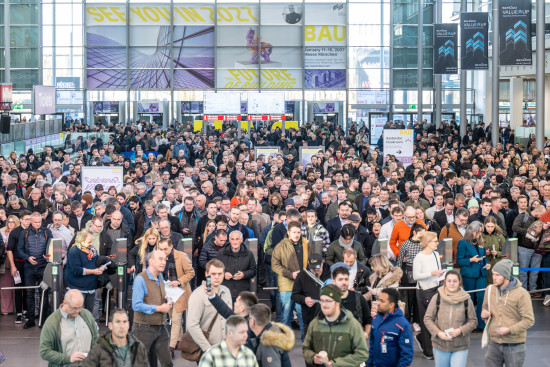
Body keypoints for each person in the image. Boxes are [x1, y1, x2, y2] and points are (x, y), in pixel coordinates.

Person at [481, 259, 535, 367]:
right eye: (493, 274)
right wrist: (484, 314)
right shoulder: (489, 289)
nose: (494, 278)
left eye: (497, 275)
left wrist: (509, 330)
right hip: (494, 344)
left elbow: (529, 320)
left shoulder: (522, 294)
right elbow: (485, 309)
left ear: (506, 276)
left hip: (515, 345)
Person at [302, 284, 369, 367]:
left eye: (328, 301)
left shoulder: (353, 325)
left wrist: (336, 364)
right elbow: (306, 348)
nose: (324, 305)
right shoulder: (314, 324)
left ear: (337, 302)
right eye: (322, 301)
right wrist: (312, 357)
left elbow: (362, 354)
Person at [423, 270, 478, 367]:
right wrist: (438, 332)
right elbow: (427, 318)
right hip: (440, 345)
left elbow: (473, 321)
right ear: (445, 281)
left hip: (460, 346)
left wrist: (460, 330)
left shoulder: (466, 299)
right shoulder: (437, 298)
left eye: (455, 281)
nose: (452, 284)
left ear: (460, 282)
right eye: (449, 281)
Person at [131, 250, 174, 367]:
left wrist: (167, 300)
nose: (164, 262)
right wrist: (159, 308)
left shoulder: (159, 276)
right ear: (151, 261)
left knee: (167, 362)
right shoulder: (140, 279)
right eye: (160, 259)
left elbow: (156, 296)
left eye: (165, 259)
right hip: (142, 329)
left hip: (160, 327)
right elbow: (136, 305)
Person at [271, 221, 312, 338]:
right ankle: (285, 340)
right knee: (285, 315)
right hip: (286, 284)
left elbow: (311, 262)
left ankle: (306, 342)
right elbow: (275, 265)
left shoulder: (306, 244)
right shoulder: (280, 246)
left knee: (302, 315)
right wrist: (290, 274)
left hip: (302, 286)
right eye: (294, 232)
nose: (296, 234)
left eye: (298, 232)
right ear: (288, 232)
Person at [39, 289, 99, 367]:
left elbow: (95, 338)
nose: (78, 311)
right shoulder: (52, 322)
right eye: (74, 308)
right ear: (64, 303)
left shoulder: (87, 315)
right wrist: (68, 359)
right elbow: (45, 352)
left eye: (80, 307)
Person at [157, 238, 195, 352]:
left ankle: (171, 346)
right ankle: (179, 340)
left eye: (165, 249)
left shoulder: (181, 256)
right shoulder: (159, 257)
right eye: (161, 249)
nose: (163, 251)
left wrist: (178, 281)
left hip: (180, 292)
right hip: (168, 292)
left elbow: (191, 272)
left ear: (171, 246)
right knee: (173, 318)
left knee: (176, 319)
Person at [187, 259, 233, 354]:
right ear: (206, 274)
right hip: (208, 348)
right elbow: (192, 325)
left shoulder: (226, 291)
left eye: (220, 274)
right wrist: (207, 349)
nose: (216, 277)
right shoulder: (198, 295)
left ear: (224, 274)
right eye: (213, 274)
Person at [17, 212, 53, 329]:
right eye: (35, 222)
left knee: (45, 293)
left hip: (43, 267)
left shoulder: (47, 232)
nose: (38, 224)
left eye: (39, 222)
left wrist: (47, 256)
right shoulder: (24, 233)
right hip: (29, 268)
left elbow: (52, 249)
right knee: (29, 293)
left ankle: (43, 319)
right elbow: (19, 250)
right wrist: (27, 258)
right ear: (30, 222)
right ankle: (31, 319)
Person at [412, 231, 442, 360]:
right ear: (428, 243)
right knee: (426, 321)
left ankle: (433, 347)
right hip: (424, 291)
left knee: (435, 320)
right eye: (435, 241)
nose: (437, 243)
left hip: (436, 289)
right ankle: (428, 350)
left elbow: (438, 272)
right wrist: (432, 273)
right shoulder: (419, 257)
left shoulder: (435, 254)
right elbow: (416, 276)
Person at [83, 309, 149, 367]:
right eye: (118, 322)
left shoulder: (139, 347)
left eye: (124, 322)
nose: (122, 326)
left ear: (128, 325)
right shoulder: (99, 349)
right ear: (110, 325)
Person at [456, 221, 490, 331]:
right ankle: (469, 323)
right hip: (469, 274)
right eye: (479, 232)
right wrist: (471, 260)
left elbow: (483, 257)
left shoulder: (480, 241)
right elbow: (459, 260)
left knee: (481, 297)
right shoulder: (463, 242)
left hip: (481, 273)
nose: (480, 234)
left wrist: (487, 264)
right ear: (473, 231)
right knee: (469, 298)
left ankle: (481, 324)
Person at [367, 287, 414, 367]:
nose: (378, 303)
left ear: (392, 304)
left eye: (382, 301)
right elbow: (372, 346)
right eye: (379, 300)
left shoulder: (403, 325)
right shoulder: (375, 320)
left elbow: (407, 354)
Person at [291, 253, 330, 336]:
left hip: (328, 319)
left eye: (318, 267)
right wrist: (304, 299)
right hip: (309, 319)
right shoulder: (302, 276)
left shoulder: (331, 275)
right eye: (313, 268)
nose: (316, 270)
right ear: (308, 264)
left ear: (323, 262)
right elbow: (294, 295)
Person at [65, 229, 103, 313]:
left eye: (92, 241)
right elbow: (76, 270)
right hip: (77, 288)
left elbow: (95, 262)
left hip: (90, 288)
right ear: (81, 241)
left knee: (88, 313)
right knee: (76, 313)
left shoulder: (92, 250)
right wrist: (93, 271)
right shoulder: (74, 251)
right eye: (89, 242)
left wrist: (101, 266)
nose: (91, 244)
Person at [331, 265, 372, 336]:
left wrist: (365, 335)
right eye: (340, 279)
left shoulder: (358, 298)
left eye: (346, 279)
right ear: (334, 281)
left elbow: (368, 320)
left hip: (355, 343)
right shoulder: (327, 299)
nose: (344, 282)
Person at [217, 230, 257, 301]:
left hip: (243, 292)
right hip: (225, 291)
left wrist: (244, 274)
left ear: (241, 240)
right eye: (232, 239)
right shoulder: (221, 253)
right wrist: (224, 274)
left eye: (237, 239)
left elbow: (253, 270)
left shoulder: (249, 253)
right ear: (229, 240)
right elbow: (216, 270)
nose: (235, 242)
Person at [6, 210, 31, 324]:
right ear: (20, 220)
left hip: (29, 263)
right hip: (17, 263)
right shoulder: (15, 232)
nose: (28, 221)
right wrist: (12, 266)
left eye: (29, 219)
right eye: (26, 219)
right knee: (18, 288)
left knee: (28, 288)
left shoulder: (32, 231)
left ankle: (26, 311)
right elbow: (9, 250)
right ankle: (19, 314)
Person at [482, 216, 506, 285]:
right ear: (484, 225)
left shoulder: (500, 236)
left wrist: (497, 253)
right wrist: (484, 252)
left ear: (495, 225)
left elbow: (506, 253)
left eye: (492, 226)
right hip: (484, 265)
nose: (490, 229)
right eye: (488, 226)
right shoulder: (480, 235)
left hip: (496, 265)